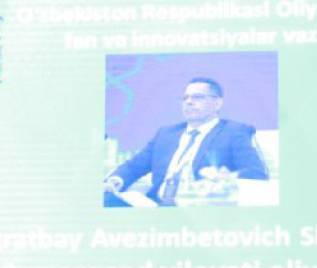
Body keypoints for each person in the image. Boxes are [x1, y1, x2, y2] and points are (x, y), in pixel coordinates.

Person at [103, 77, 268, 206]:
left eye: (198, 97)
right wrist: (116, 180)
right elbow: (134, 166)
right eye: (185, 98)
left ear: (217, 103)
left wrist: (227, 178)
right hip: (155, 207)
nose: (189, 102)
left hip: (198, 209)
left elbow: (256, 174)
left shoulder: (233, 132)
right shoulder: (165, 134)